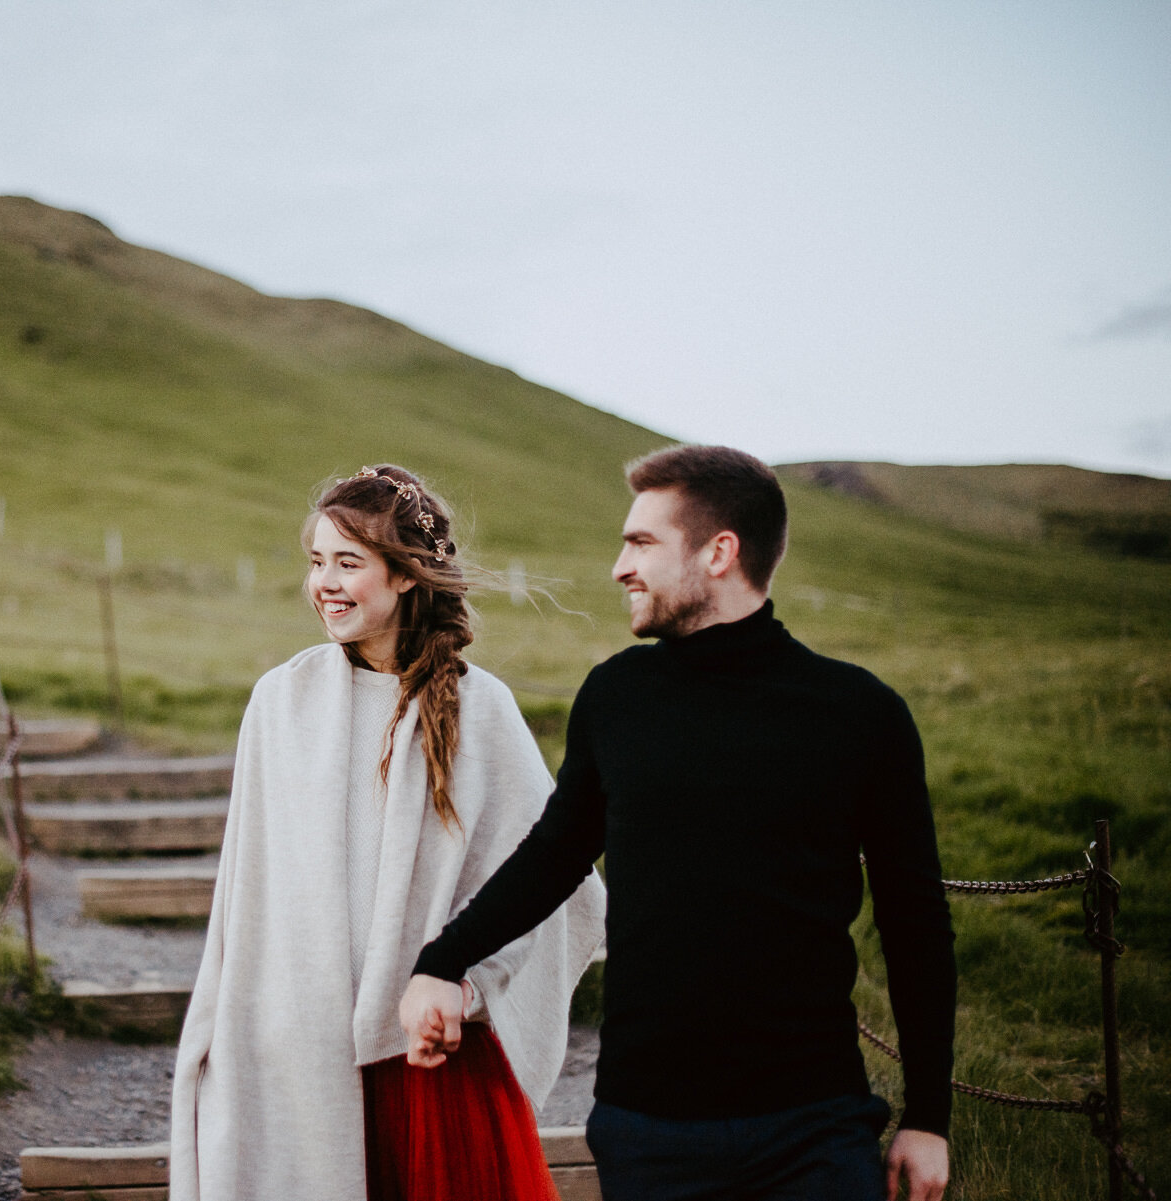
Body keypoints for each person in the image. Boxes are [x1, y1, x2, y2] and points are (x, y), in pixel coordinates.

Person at [401, 445, 956, 1201]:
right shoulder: (617, 696)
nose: (619, 566)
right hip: (648, 1125)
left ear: (720, 551)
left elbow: (916, 924)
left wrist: (929, 1117)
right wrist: (442, 960)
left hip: (814, 1127)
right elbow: (555, 855)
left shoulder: (861, 714)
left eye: (642, 542)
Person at [170, 464, 607, 1201]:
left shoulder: (482, 709)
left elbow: (552, 882)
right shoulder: (281, 701)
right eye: (316, 561)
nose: (325, 583)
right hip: (301, 1055)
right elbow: (250, 894)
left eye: (348, 562)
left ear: (405, 575)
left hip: (430, 1061)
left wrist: (466, 989)